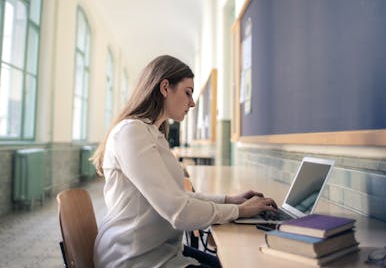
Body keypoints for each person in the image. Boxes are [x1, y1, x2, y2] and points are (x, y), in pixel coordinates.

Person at [91, 55, 278, 268]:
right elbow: (179, 211)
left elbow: (176, 196)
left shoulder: (152, 134)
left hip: (159, 251)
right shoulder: (131, 133)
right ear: (164, 87)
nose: (193, 102)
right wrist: (241, 211)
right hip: (133, 259)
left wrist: (229, 200)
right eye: (187, 92)